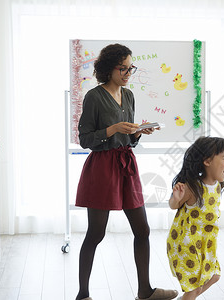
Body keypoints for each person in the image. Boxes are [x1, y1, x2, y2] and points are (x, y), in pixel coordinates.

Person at [74, 44, 178, 300]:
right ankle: (83, 294)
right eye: (123, 68)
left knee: (142, 230)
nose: (128, 72)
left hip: (126, 164)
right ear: (109, 69)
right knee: (96, 233)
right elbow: (85, 139)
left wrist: (138, 132)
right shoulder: (94, 97)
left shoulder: (129, 95)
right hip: (101, 168)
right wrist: (112, 129)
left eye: (130, 67)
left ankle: (145, 290)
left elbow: (129, 141)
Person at [166, 136, 224, 300]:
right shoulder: (192, 187)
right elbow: (173, 205)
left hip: (205, 243)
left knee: (214, 276)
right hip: (186, 243)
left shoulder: (218, 185)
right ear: (207, 161)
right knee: (194, 289)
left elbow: (211, 201)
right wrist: (176, 198)